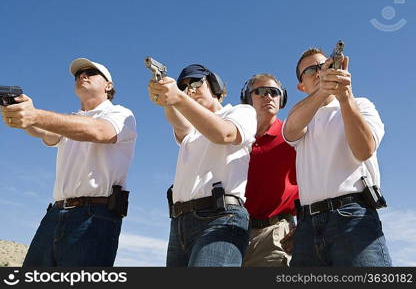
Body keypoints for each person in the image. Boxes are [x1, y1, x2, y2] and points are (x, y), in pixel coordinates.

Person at [1, 58, 137, 266]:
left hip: (95, 216)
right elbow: (44, 132)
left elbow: (99, 131)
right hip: (55, 213)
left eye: (90, 72)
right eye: (78, 75)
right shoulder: (69, 120)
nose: (82, 76)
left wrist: (34, 115)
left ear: (109, 86)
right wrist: (20, 114)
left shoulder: (120, 114)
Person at [283, 47, 392, 266]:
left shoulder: (361, 105)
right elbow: (291, 131)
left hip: (352, 217)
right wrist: (323, 91)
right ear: (301, 86)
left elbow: (364, 150)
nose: (320, 72)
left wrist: (345, 98)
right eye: (312, 69)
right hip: (306, 225)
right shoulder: (301, 115)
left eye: (325, 66)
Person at [147, 64, 256, 267]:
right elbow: (179, 123)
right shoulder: (191, 130)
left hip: (222, 217)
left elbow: (225, 134)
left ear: (215, 86)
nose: (191, 90)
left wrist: (177, 97)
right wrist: (167, 99)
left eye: (196, 82)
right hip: (180, 222)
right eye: (184, 87)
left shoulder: (241, 111)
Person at [240, 74, 298, 267]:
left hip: (275, 234)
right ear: (247, 99)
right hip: (233, 231)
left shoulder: (291, 135)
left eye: (274, 92)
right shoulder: (236, 137)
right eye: (261, 91)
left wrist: (306, 226)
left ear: (282, 99)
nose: (269, 97)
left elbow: (314, 183)